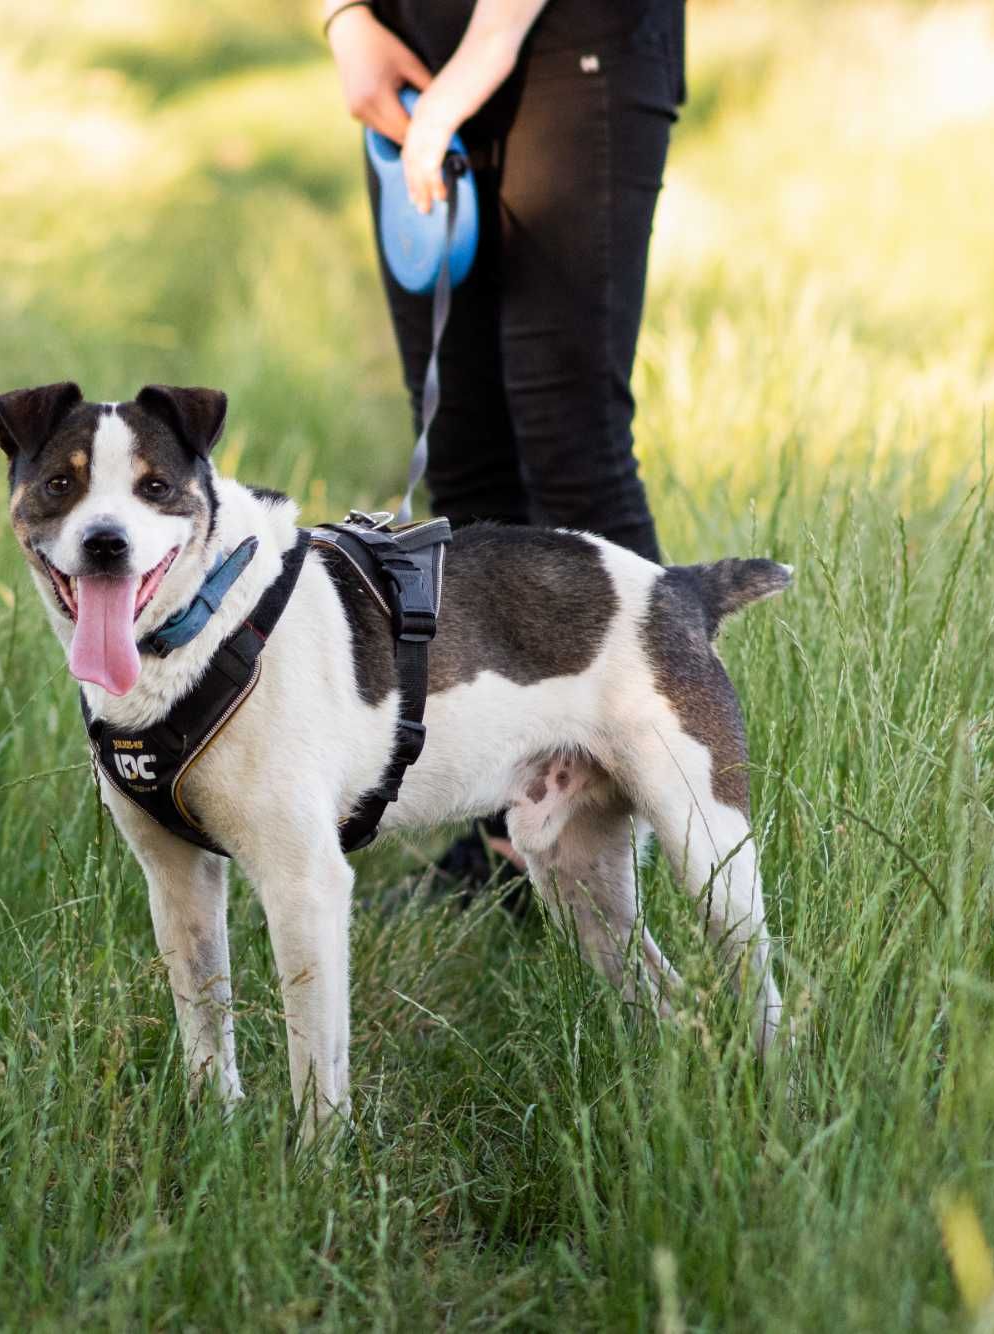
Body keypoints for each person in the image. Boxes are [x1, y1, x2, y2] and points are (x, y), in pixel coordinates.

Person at [321, 0, 686, 896]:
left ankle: (679, 822)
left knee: (572, 447)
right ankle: (507, 850)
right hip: (412, 49)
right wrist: (344, 20)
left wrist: (479, 60)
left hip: (571, 41)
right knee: (464, 456)